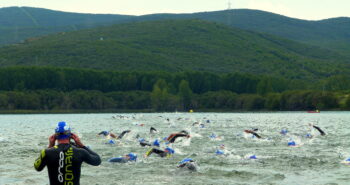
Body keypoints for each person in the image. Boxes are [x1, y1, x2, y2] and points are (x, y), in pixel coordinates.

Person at [34, 121, 101, 185]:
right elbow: (97, 161)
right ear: (70, 135)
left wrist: (50, 146)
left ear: (55, 136)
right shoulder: (80, 152)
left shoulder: (47, 152)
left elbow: (37, 167)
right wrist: (82, 145)